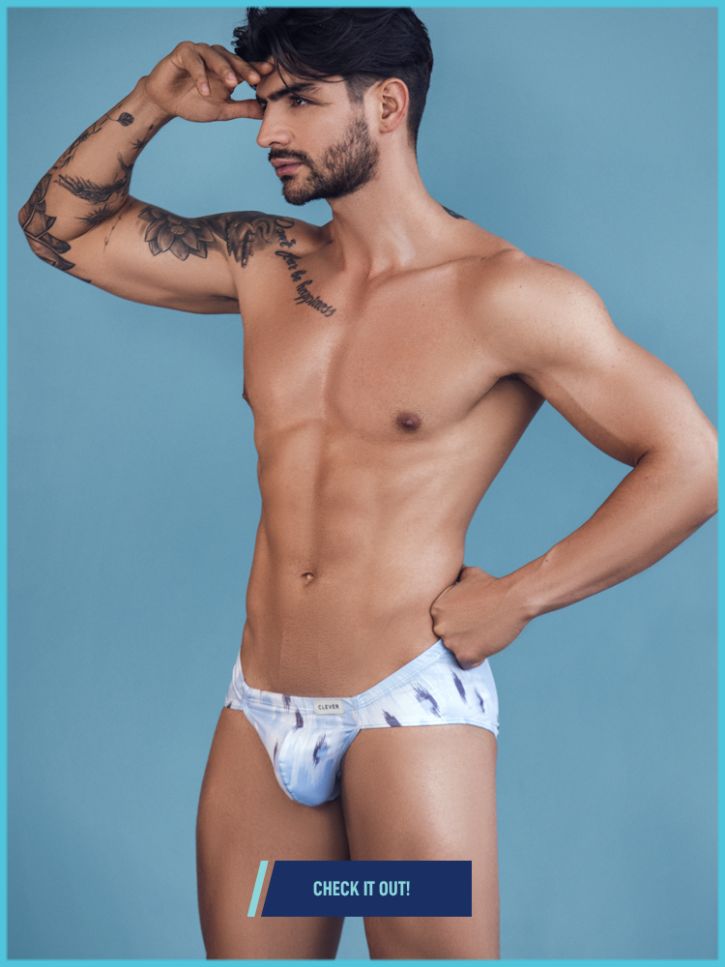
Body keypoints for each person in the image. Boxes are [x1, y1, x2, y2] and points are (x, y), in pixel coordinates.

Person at [17, 6, 717, 960]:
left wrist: (521, 596)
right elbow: (59, 227)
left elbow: (690, 460)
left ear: (386, 105)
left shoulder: (506, 295)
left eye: (299, 102)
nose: (267, 132)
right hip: (260, 711)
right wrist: (152, 101)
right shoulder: (265, 262)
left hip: (404, 708)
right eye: (266, 101)